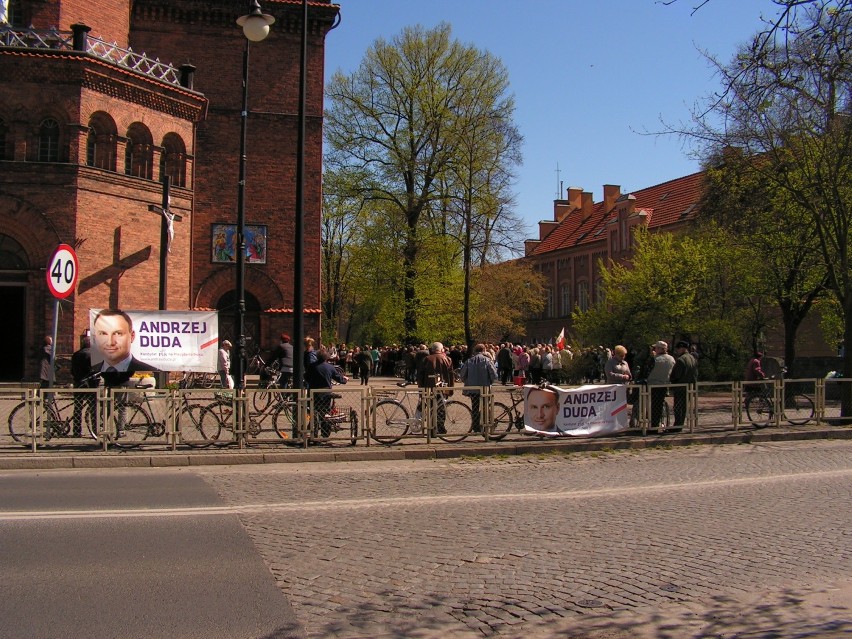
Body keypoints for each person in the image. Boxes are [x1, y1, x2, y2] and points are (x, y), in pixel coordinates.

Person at [91, 309, 160, 387]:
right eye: (103, 333)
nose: (110, 342)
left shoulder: (147, 368)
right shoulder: (93, 369)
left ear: (132, 336)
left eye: (118, 333)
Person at [305, 349, 348, 438]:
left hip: (313, 392)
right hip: (325, 393)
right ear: (327, 357)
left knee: (312, 410)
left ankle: (312, 428)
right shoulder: (330, 367)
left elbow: (306, 377)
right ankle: (325, 432)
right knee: (325, 411)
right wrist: (344, 380)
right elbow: (338, 378)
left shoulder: (312, 366)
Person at [417, 342, 455, 435]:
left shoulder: (426, 359)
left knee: (431, 408)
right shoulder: (448, 359)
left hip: (429, 387)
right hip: (443, 386)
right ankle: (440, 428)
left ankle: (431, 428)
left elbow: (420, 375)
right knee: (441, 408)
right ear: (442, 350)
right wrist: (450, 389)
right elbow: (451, 375)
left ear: (432, 349)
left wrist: (421, 390)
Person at [459, 343, 498, 433]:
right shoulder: (487, 360)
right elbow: (494, 375)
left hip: (473, 389)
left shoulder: (469, 361)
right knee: (485, 407)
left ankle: (476, 426)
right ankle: (485, 424)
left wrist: (468, 382)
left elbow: (462, 375)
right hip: (485, 388)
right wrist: (490, 381)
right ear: (484, 350)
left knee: (475, 407)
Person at [647, 340, 675, 433]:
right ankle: (658, 423)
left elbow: (648, 370)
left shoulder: (655, 359)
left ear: (659, 349)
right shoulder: (671, 359)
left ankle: (653, 427)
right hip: (665, 384)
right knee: (659, 405)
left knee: (653, 406)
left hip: (653, 385)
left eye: (656, 348)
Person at [669, 341, 698, 430]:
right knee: (684, 407)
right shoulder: (693, 358)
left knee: (678, 407)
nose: (677, 351)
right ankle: (680, 424)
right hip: (689, 387)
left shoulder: (681, 360)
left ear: (682, 348)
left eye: (678, 349)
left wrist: (672, 381)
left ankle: (678, 425)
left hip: (680, 387)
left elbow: (676, 375)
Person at [71, 335, 94, 436]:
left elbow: (72, 370)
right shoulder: (93, 355)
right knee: (93, 408)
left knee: (77, 407)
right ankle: (95, 430)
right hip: (90, 385)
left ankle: (76, 430)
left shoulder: (75, 354)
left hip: (78, 383)